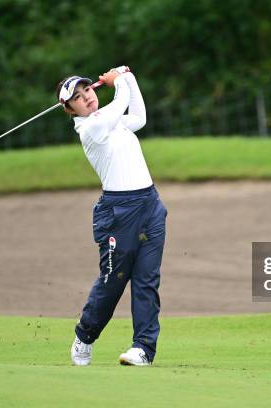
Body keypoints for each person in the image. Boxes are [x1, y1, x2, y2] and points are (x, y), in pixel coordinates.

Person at [56, 66, 167, 366]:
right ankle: (85, 335)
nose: (87, 98)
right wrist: (119, 82)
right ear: (70, 110)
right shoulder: (91, 128)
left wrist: (127, 77)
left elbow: (140, 117)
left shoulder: (113, 122)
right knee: (113, 280)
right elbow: (120, 102)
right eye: (77, 98)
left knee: (146, 280)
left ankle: (142, 348)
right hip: (119, 212)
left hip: (150, 205)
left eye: (87, 90)